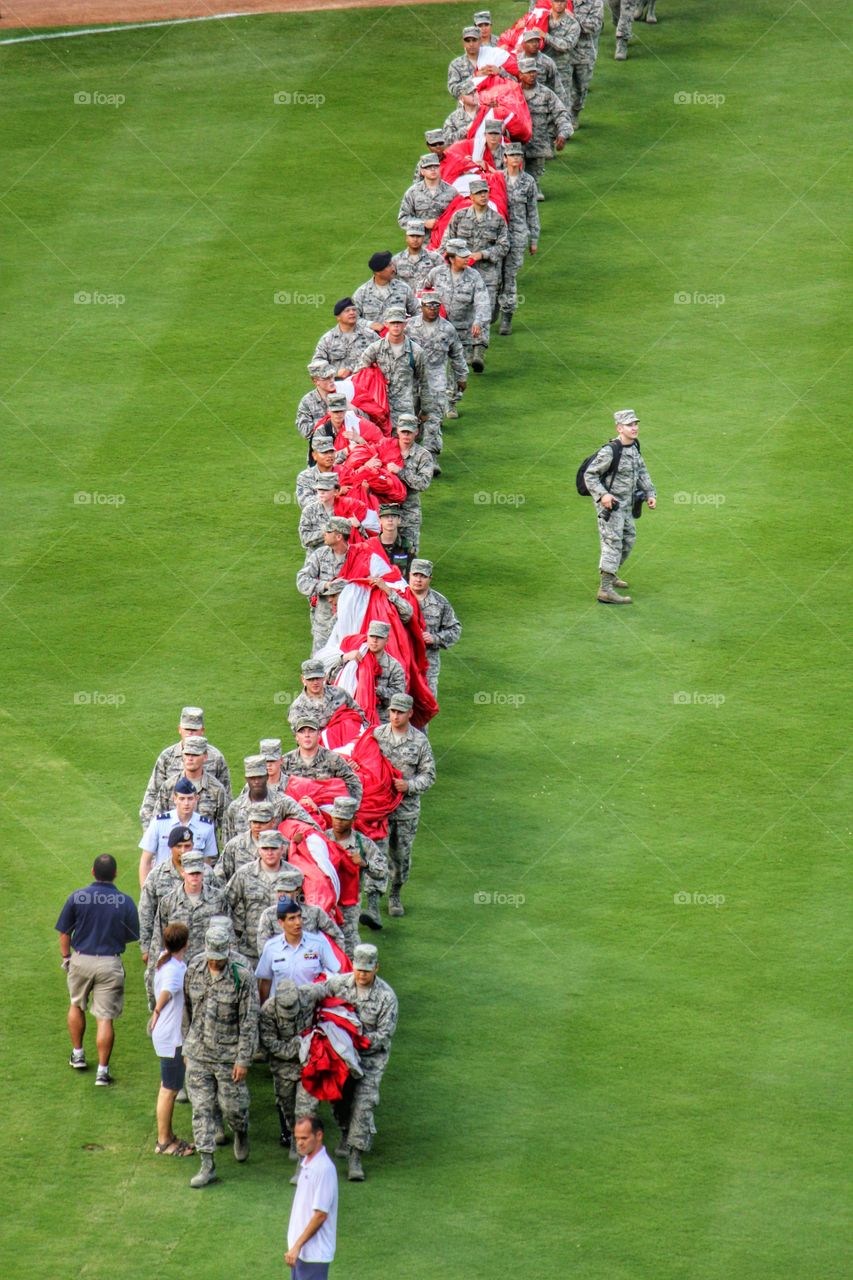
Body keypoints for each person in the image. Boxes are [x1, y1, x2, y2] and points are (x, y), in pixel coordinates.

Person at [183, 922, 259, 1188]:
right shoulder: (194, 969)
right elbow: (187, 1009)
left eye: (220, 959)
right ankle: (207, 1165)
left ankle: (240, 1130)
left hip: (229, 1055)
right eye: (212, 958)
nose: (215, 964)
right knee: (201, 1108)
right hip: (198, 1052)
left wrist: (243, 1059)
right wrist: (186, 1044)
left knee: (233, 1108)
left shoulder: (242, 975)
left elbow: (249, 1020)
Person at [55, 854, 140, 1085]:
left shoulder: (78, 896)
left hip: (81, 960)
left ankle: (78, 1054)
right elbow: (131, 935)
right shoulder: (125, 901)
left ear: (93, 872)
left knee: (75, 1004)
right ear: (115, 874)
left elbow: (64, 932)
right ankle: (102, 1072)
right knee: (105, 1019)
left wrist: (66, 957)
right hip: (110, 963)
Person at [326, 943, 398, 1181]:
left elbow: (384, 1035)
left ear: (376, 968)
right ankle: (346, 1133)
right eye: (358, 969)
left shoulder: (386, 997)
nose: (362, 975)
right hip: (343, 1059)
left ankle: (356, 1157)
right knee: (339, 1100)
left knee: (363, 1104)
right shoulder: (340, 984)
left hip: (370, 1058)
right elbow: (318, 992)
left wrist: (356, 1041)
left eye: (367, 970)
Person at [582, 409, 657, 604]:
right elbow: (589, 475)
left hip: (627, 505)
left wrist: (650, 493)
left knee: (629, 539)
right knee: (613, 542)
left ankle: (611, 573)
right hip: (610, 507)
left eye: (635, 424)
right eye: (630, 425)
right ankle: (605, 589)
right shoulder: (609, 451)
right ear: (619, 428)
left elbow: (641, 472)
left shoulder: (634, 447)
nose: (634, 428)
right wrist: (603, 495)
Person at [373, 693, 436, 916]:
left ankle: (395, 893)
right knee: (376, 854)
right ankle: (373, 899)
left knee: (400, 855)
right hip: (379, 808)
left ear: (410, 713)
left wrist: (408, 786)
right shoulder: (377, 735)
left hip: (405, 811)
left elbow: (429, 776)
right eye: (392, 711)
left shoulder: (419, 742)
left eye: (400, 712)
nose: (395, 716)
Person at [440, 177, 509, 364]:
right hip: (462, 274)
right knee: (465, 311)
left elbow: (504, 246)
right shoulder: (460, 217)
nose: (483, 196)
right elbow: (446, 243)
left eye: (485, 192)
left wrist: (483, 254)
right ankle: (469, 349)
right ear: (471, 196)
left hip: (487, 274)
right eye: (479, 193)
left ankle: (479, 350)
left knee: (484, 310)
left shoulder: (497, 220)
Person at [260, 977, 327, 1157]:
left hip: (309, 1066)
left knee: (306, 1111)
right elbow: (270, 1044)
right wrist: (298, 1048)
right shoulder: (268, 1011)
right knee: (288, 1107)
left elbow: (330, 988)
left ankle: (304, 1155)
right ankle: (294, 1135)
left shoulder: (309, 994)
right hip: (283, 1068)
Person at [139, 705, 231, 828]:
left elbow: (227, 801)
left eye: (194, 729)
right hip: (172, 834)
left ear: (202, 730)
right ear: (179, 729)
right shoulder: (167, 757)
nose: (190, 733)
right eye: (187, 728)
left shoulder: (216, 758)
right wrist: (150, 835)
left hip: (204, 834)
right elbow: (151, 797)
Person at [406, 290, 468, 463]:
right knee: (411, 419)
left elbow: (457, 354)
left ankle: (431, 458)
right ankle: (412, 455)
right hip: (411, 382)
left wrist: (461, 376)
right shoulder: (409, 326)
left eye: (436, 306)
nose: (432, 309)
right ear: (421, 307)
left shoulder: (448, 329)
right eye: (429, 305)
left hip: (436, 382)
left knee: (433, 420)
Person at [148, 921, 193, 1156]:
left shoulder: (165, 958)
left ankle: (168, 1136)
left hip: (168, 1035)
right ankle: (164, 1141)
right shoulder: (174, 970)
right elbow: (167, 991)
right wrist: (156, 1012)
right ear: (186, 943)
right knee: (170, 1089)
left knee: (169, 1086)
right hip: (171, 1037)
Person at [425, 240, 491, 398]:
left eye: (467, 255)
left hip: (462, 331)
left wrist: (478, 321)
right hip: (437, 329)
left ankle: (452, 401)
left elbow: (482, 301)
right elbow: (423, 293)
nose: (467, 258)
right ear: (452, 258)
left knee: (457, 367)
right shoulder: (436, 273)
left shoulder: (474, 276)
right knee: (437, 366)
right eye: (462, 256)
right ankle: (435, 400)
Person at [325, 795, 388, 954]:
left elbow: (382, 871)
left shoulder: (363, 843)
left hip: (349, 902)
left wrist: (365, 864)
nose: (338, 822)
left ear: (353, 819)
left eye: (344, 819)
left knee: (349, 940)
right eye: (336, 817)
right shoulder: (321, 838)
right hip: (326, 898)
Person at [353, 308, 433, 431]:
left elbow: (425, 381)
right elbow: (359, 375)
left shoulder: (416, 352)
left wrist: (426, 409)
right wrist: (375, 378)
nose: (396, 326)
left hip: (405, 409)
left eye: (399, 322)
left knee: (406, 446)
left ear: (405, 324)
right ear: (386, 324)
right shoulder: (375, 349)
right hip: (380, 408)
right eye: (392, 323)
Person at [227, 829, 295, 964]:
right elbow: (226, 904)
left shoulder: (294, 875)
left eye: (274, 848)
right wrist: (233, 938)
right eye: (265, 848)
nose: (269, 853)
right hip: (249, 951)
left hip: (285, 949)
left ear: (282, 849)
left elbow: (303, 909)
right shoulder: (244, 874)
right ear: (259, 849)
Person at [255, 898, 341, 1002]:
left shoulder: (318, 944)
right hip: (281, 1008)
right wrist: (263, 1009)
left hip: (311, 1007)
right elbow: (265, 981)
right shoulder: (271, 947)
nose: (298, 922)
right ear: (281, 923)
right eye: (292, 918)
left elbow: (336, 973)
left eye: (299, 917)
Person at [286, 1115, 339, 1276]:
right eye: (297, 1138)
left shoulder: (324, 1169)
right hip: (301, 1254)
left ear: (319, 1136)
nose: (299, 1143)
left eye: (304, 1138)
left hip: (313, 1255)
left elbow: (320, 1215)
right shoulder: (308, 1164)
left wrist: (297, 1246)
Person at [138, 777, 217, 885]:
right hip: (163, 885)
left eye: (190, 798)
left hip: (192, 886)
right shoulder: (159, 823)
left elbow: (206, 863)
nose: (186, 803)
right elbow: (145, 861)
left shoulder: (206, 826)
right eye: (182, 798)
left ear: (196, 798)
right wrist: (145, 892)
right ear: (174, 799)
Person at [327, 620, 406, 723]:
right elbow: (330, 681)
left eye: (379, 637)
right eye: (372, 636)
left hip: (380, 721)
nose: (375, 640)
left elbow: (399, 698)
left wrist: (374, 690)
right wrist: (344, 658)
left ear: (387, 640)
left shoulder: (394, 666)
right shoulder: (354, 657)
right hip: (349, 717)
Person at [498, 142, 540, 335]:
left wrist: (534, 238)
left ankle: (507, 316)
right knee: (494, 276)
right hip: (495, 234)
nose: (516, 158)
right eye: (512, 155)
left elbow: (532, 211)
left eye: (518, 155)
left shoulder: (528, 182)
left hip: (517, 234)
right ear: (504, 158)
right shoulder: (496, 180)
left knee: (510, 276)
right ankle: (492, 311)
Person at [256, 864, 345, 956]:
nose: (282, 895)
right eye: (279, 891)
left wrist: (334, 960)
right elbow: (263, 947)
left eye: (287, 891)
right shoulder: (269, 915)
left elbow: (337, 936)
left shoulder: (315, 913)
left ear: (297, 891)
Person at [150, 734, 228, 836]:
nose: (190, 758)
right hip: (173, 849)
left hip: (205, 850)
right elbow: (157, 824)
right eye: (187, 754)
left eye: (195, 755)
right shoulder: (169, 786)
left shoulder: (217, 789)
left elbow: (226, 828)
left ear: (205, 757)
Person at [518, 58, 572, 200]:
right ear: (520, 75)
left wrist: (562, 134)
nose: (532, 75)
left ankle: (534, 185)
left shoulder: (546, 94)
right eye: (528, 72)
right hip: (516, 142)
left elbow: (561, 113)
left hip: (538, 141)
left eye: (534, 72)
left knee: (534, 172)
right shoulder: (512, 92)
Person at [407, 558, 462, 697]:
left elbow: (455, 629)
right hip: (402, 664)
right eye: (415, 575)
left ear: (430, 578)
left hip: (428, 667)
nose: (418, 580)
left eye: (423, 576)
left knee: (425, 709)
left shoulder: (440, 602)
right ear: (409, 575)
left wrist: (435, 638)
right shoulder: (398, 598)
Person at [282, 714, 364, 804]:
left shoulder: (333, 759)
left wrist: (349, 808)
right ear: (296, 737)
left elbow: (353, 781)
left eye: (311, 731)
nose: (307, 735)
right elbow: (274, 787)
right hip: (295, 809)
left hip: (325, 809)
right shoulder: (285, 761)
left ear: (318, 735)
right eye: (302, 732)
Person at [296, 522, 349, 654]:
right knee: (319, 665)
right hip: (323, 624)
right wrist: (324, 585)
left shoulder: (356, 555)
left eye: (328, 532)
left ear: (339, 537)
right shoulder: (320, 555)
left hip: (348, 622)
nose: (323, 534)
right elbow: (302, 580)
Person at [288, 657, 367, 733]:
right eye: (311, 679)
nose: (315, 682)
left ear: (324, 676)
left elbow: (360, 715)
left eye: (318, 678)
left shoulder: (339, 693)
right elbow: (301, 737)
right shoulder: (298, 708)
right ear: (303, 679)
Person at [390, 414, 434, 549]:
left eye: (410, 432)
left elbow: (423, 484)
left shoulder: (423, 455)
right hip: (387, 513)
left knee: (408, 557)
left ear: (416, 432)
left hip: (409, 514)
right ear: (397, 430)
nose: (406, 435)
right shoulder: (387, 448)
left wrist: (400, 472)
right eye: (403, 431)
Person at [353, 252, 418, 332]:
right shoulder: (362, 293)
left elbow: (418, 311)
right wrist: (370, 324)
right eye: (389, 266)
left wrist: (407, 323)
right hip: (373, 341)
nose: (394, 269)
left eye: (392, 264)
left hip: (399, 340)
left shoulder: (403, 288)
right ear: (378, 272)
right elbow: (352, 318)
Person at [312, 298, 376, 379]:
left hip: (365, 386)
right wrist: (335, 373)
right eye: (347, 311)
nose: (352, 313)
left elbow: (384, 356)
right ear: (338, 317)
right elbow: (316, 364)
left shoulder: (370, 335)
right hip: (338, 386)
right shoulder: (328, 339)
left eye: (354, 310)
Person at [565, 0, 605, 127]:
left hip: (584, 53)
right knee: (562, 87)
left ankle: (574, 112)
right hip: (562, 52)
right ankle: (563, 119)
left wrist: (572, 18)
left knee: (581, 87)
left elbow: (594, 26)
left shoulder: (595, 3)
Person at [541, 0, 582, 113]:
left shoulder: (573, 24)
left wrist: (546, 37)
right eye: (556, 1)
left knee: (562, 104)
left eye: (562, 1)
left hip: (562, 70)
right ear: (550, 2)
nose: (559, 4)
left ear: (566, 3)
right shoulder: (542, 18)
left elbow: (566, 45)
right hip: (543, 68)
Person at [397, 155, 457, 232]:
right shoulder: (412, 192)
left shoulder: (452, 192)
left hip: (443, 241)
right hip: (421, 241)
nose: (433, 169)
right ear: (422, 171)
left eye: (435, 166)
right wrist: (423, 223)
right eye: (428, 167)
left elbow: (458, 218)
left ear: (439, 168)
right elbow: (403, 219)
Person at [392, 219, 443, 293]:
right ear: (406, 238)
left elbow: (444, 282)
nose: (415, 239)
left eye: (418, 236)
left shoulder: (435, 259)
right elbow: (390, 283)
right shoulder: (396, 260)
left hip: (427, 302)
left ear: (423, 238)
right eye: (412, 236)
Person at [296, 360, 337, 442]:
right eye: (326, 378)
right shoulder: (307, 401)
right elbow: (305, 431)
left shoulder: (343, 393)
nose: (332, 380)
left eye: (332, 376)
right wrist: (328, 422)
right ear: (315, 381)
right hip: (322, 450)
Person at [296, 434, 339, 510]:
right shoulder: (305, 477)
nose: (329, 455)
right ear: (314, 455)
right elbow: (306, 504)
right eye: (324, 452)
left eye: (331, 451)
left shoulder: (344, 472)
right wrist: (333, 494)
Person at [447, 26, 482, 99]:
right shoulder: (456, 64)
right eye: (468, 41)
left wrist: (499, 71)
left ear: (480, 41)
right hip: (466, 109)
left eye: (474, 40)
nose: (471, 44)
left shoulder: (490, 60)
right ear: (463, 43)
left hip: (489, 108)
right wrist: (474, 77)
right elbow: (454, 91)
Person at [442, 78, 479, 143]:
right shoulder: (453, 118)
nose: (474, 95)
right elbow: (446, 140)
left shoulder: (487, 112)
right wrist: (465, 130)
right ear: (461, 98)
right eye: (469, 93)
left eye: (475, 91)